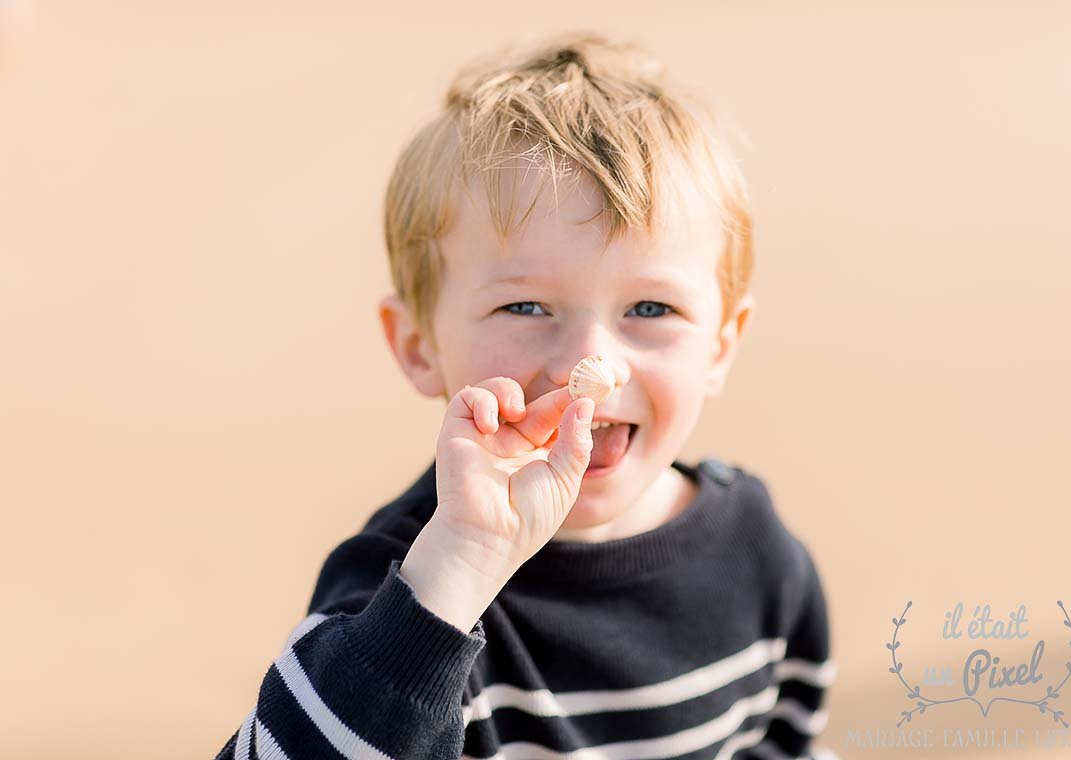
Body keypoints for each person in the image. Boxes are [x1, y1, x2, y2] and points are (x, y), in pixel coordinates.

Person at [215, 29, 837, 760]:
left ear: (721, 346)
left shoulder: (758, 552)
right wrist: (462, 564)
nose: (590, 364)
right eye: (525, 307)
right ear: (418, 346)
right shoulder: (400, 590)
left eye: (651, 308)